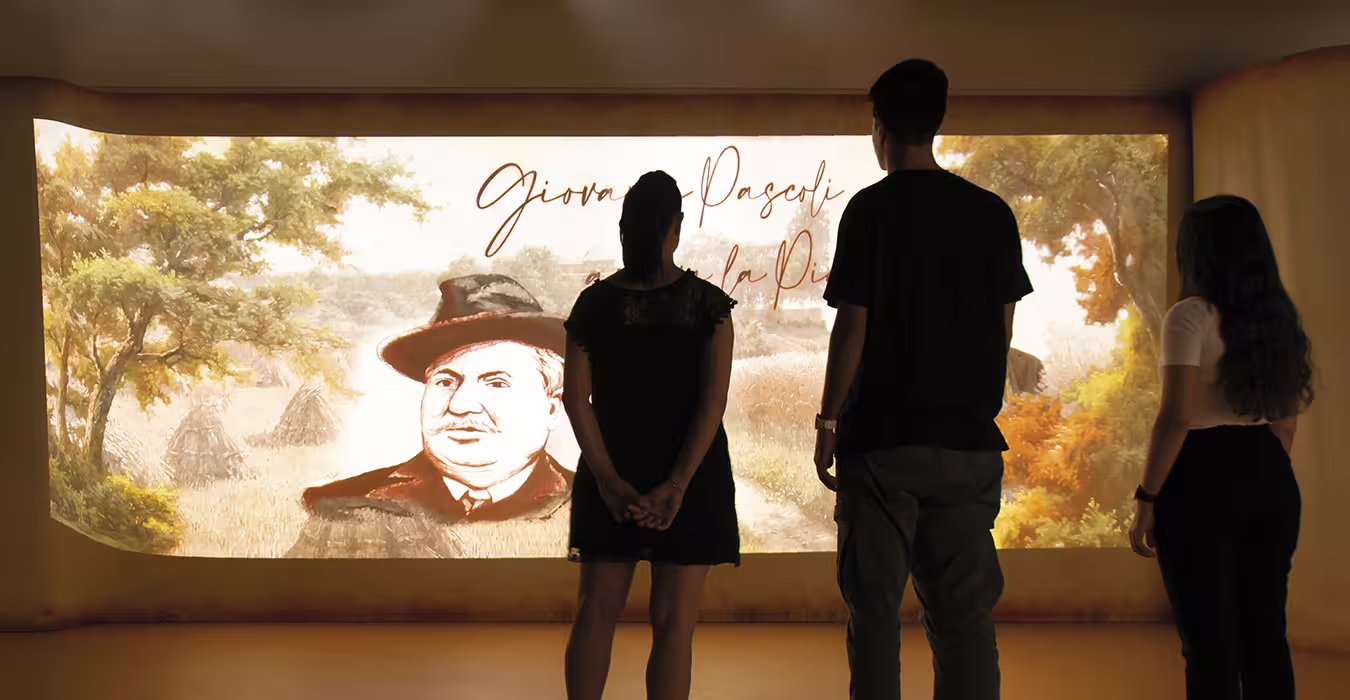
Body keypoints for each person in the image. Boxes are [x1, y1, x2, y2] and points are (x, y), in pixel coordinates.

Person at [813, 59, 1033, 700]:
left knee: (875, 617)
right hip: (966, 445)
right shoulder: (991, 214)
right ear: (935, 122)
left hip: (881, 445)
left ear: (880, 128)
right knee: (965, 623)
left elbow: (852, 326)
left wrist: (829, 421)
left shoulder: (870, 211)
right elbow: (1002, 326)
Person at [561, 170, 738, 700]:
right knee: (675, 626)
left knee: (595, 613)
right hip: (692, 474)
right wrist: (677, 484)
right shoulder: (709, 306)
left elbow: (575, 400)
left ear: (624, 228)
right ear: (675, 227)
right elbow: (712, 403)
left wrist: (608, 480)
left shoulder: (593, 305)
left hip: (611, 466)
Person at [1129, 195, 1312, 700]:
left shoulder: (1188, 317)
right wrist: (1261, 475)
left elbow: (1176, 418)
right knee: (1265, 636)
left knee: (1209, 643)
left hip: (1200, 479)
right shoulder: (1277, 316)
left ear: (1195, 252)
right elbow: (1286, 422)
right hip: (1270, 473)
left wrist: (1147, 497)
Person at [286, 274, 574, 558]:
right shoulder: (344, 509)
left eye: (497, 383)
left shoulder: (591, 508)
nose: (460, 405)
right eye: (445, 381)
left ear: (551, 409)